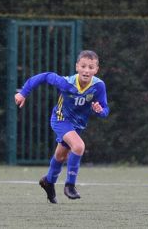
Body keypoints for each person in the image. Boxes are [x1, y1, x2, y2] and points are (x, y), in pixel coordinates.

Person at [14, 50, 109, 204]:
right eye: (83, 66)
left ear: (96, 70)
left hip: (77, 125)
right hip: (60, 119)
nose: (86, 70)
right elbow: (45, 76)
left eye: (91, 67)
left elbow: (105, 110)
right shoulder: (67, 83)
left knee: (61, 156)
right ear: (77, 66)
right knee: (78, 146)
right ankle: (70, 185)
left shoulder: (98, 86)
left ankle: (48, 181)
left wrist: (100, 110)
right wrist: (23, 93)